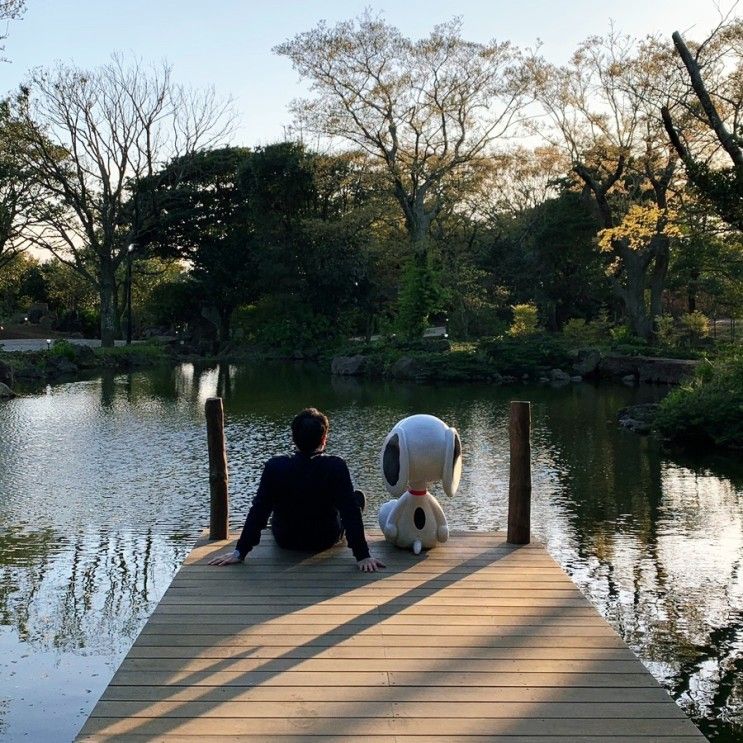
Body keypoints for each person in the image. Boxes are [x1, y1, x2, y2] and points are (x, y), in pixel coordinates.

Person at [209, 407, 385, 572]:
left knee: (274, 504)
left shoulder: (275, 466)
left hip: (286, 538)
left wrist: (240, 552)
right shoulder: (335, 466)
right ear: (324, 439)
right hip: (324, 539)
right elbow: (350, 512)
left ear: (294, 438)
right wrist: (363, 556)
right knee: (355, 500)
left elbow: (259, 511)